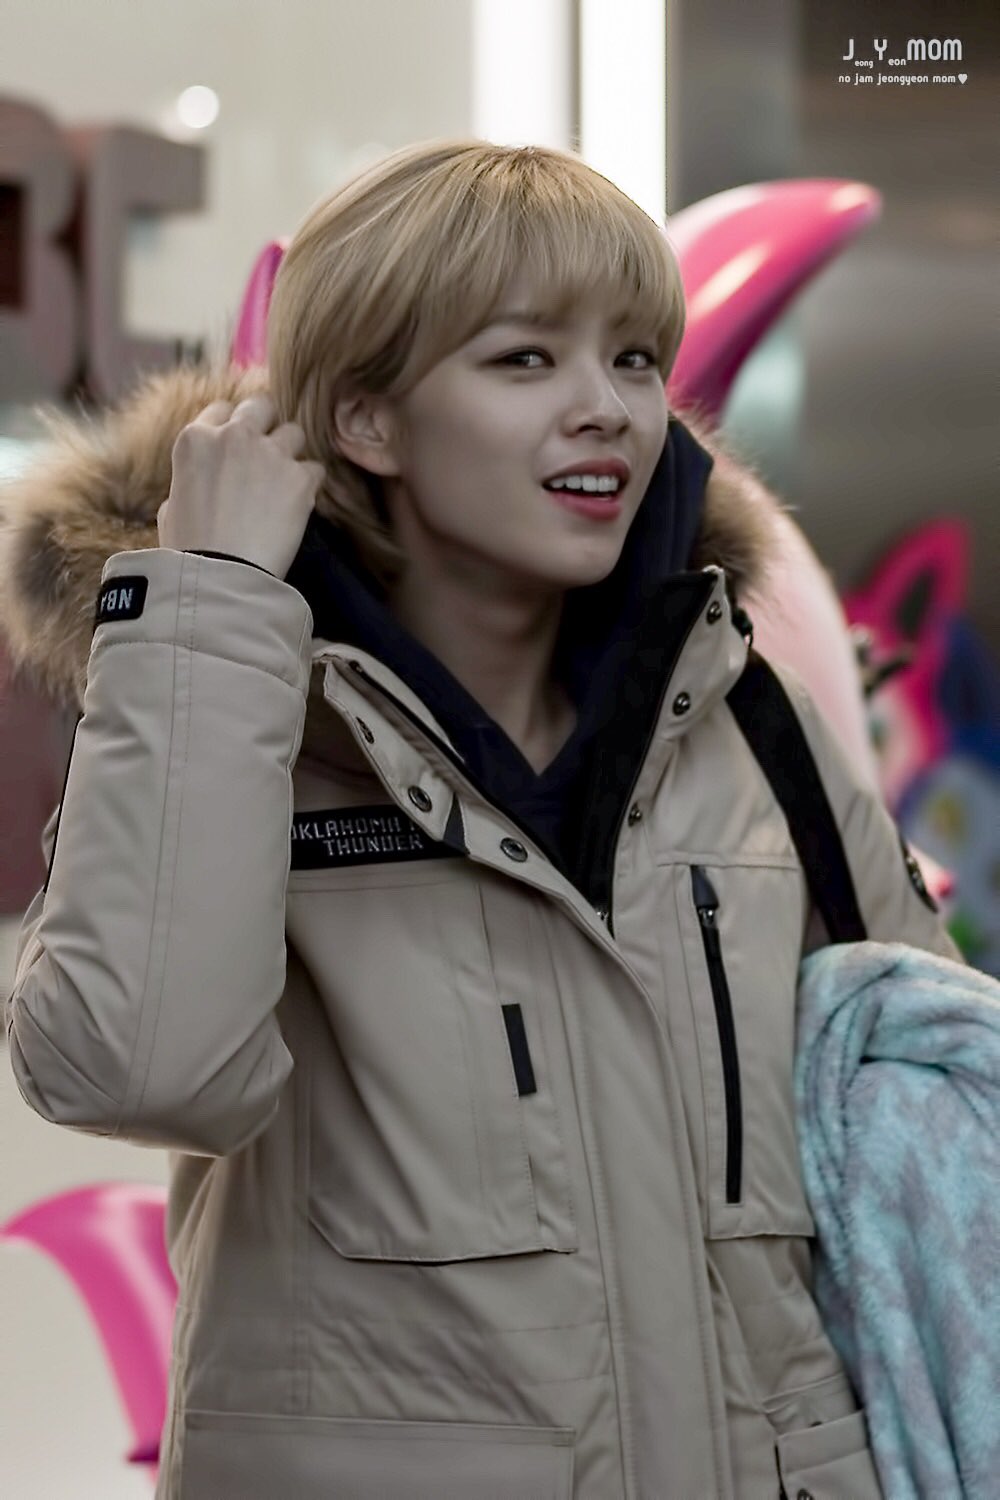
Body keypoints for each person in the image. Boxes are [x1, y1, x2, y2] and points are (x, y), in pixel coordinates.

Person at [3, 139, 962, 1500]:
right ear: (366, 419)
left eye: (634, 359)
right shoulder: (238, 725)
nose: (607, 410)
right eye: (525, 359)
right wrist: (210, 597)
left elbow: (939, 1104)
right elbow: (138, 1070)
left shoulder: (749, 717)